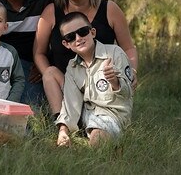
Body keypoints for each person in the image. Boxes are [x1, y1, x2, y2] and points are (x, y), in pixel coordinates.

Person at [33, 0, 138, 118]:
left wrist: (132, 71)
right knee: (50, 73)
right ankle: (61, 122)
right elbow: (39, 53)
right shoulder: (51, 12)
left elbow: (128, 48)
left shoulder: (110, 10)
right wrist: (49, 80)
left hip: (102, 86)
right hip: (67, 85)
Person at [55, 12, 133, 147]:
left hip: (112, 115)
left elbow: (127, 95)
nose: (78, 38)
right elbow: (70, 104)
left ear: (92, 32)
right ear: (66, 44)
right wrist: (63, 131)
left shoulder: (115, 53)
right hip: (87, 114)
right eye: (71, 37)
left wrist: (114, 81)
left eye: (82, 31)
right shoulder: (72, 67)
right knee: (64, 144)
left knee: (98, 139)